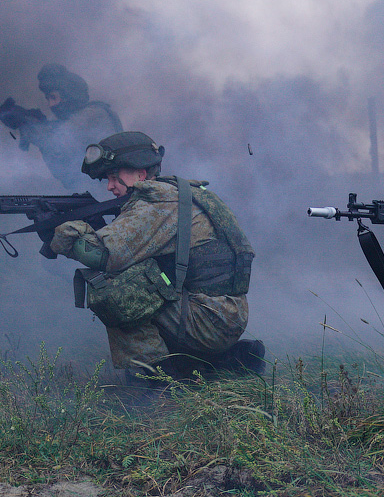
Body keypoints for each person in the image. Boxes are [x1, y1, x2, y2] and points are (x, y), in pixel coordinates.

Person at [48, 131, 264, 381]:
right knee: (143, 281)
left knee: (118, 296)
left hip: (209, 319)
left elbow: (103, 255)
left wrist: (67, 233)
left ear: (140, 174)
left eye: (114, 177)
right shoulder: (180, 191)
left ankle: (159, 383)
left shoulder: (156, 201)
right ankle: (224, 361)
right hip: (223, 313)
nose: (110, 186)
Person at [0, 64, 122, 192]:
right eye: (48, 98)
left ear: (69, 96)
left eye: (53, 97)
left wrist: (27, 125)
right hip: (99, 190)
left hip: (108, 192)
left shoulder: (93, 114)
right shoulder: (77, 117)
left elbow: (57, 146)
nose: (50, 104)